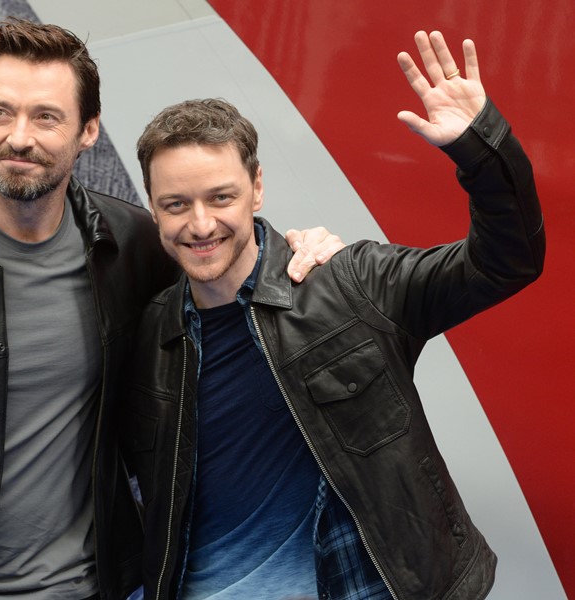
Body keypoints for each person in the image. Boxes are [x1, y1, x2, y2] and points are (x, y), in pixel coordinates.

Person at [0, 17, 343, 600]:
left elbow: (228, 267)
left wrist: (302, 252)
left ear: (88, 130)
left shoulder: (133, 248)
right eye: (1, 112)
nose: (19, 137)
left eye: (46, 117)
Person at [120, 31, 545, 600]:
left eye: (221, 197)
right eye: (176, 204)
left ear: (256, 188)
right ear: (153, 209)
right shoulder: (149, 335)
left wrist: (480, 148)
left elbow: (507, 261)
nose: (200, 225)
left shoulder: (349, 283)